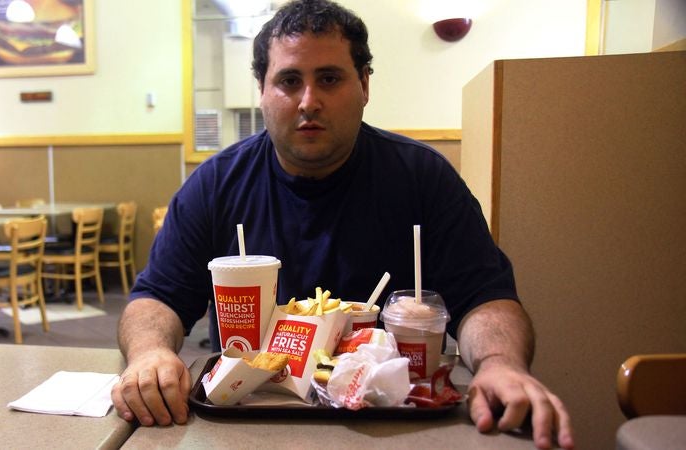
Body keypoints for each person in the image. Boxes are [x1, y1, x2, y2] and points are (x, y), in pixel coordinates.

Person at [112, 1, 574, 448]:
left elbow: (485, 299)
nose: (308, 101)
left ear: (364, 85)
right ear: (262, 90)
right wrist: (150, 352)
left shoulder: (423, 178)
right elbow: (157, 299)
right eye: (289, 80)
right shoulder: (215, 184)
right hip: (250, 418)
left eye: (329, 79)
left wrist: (499, 363)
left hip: (392, 424)